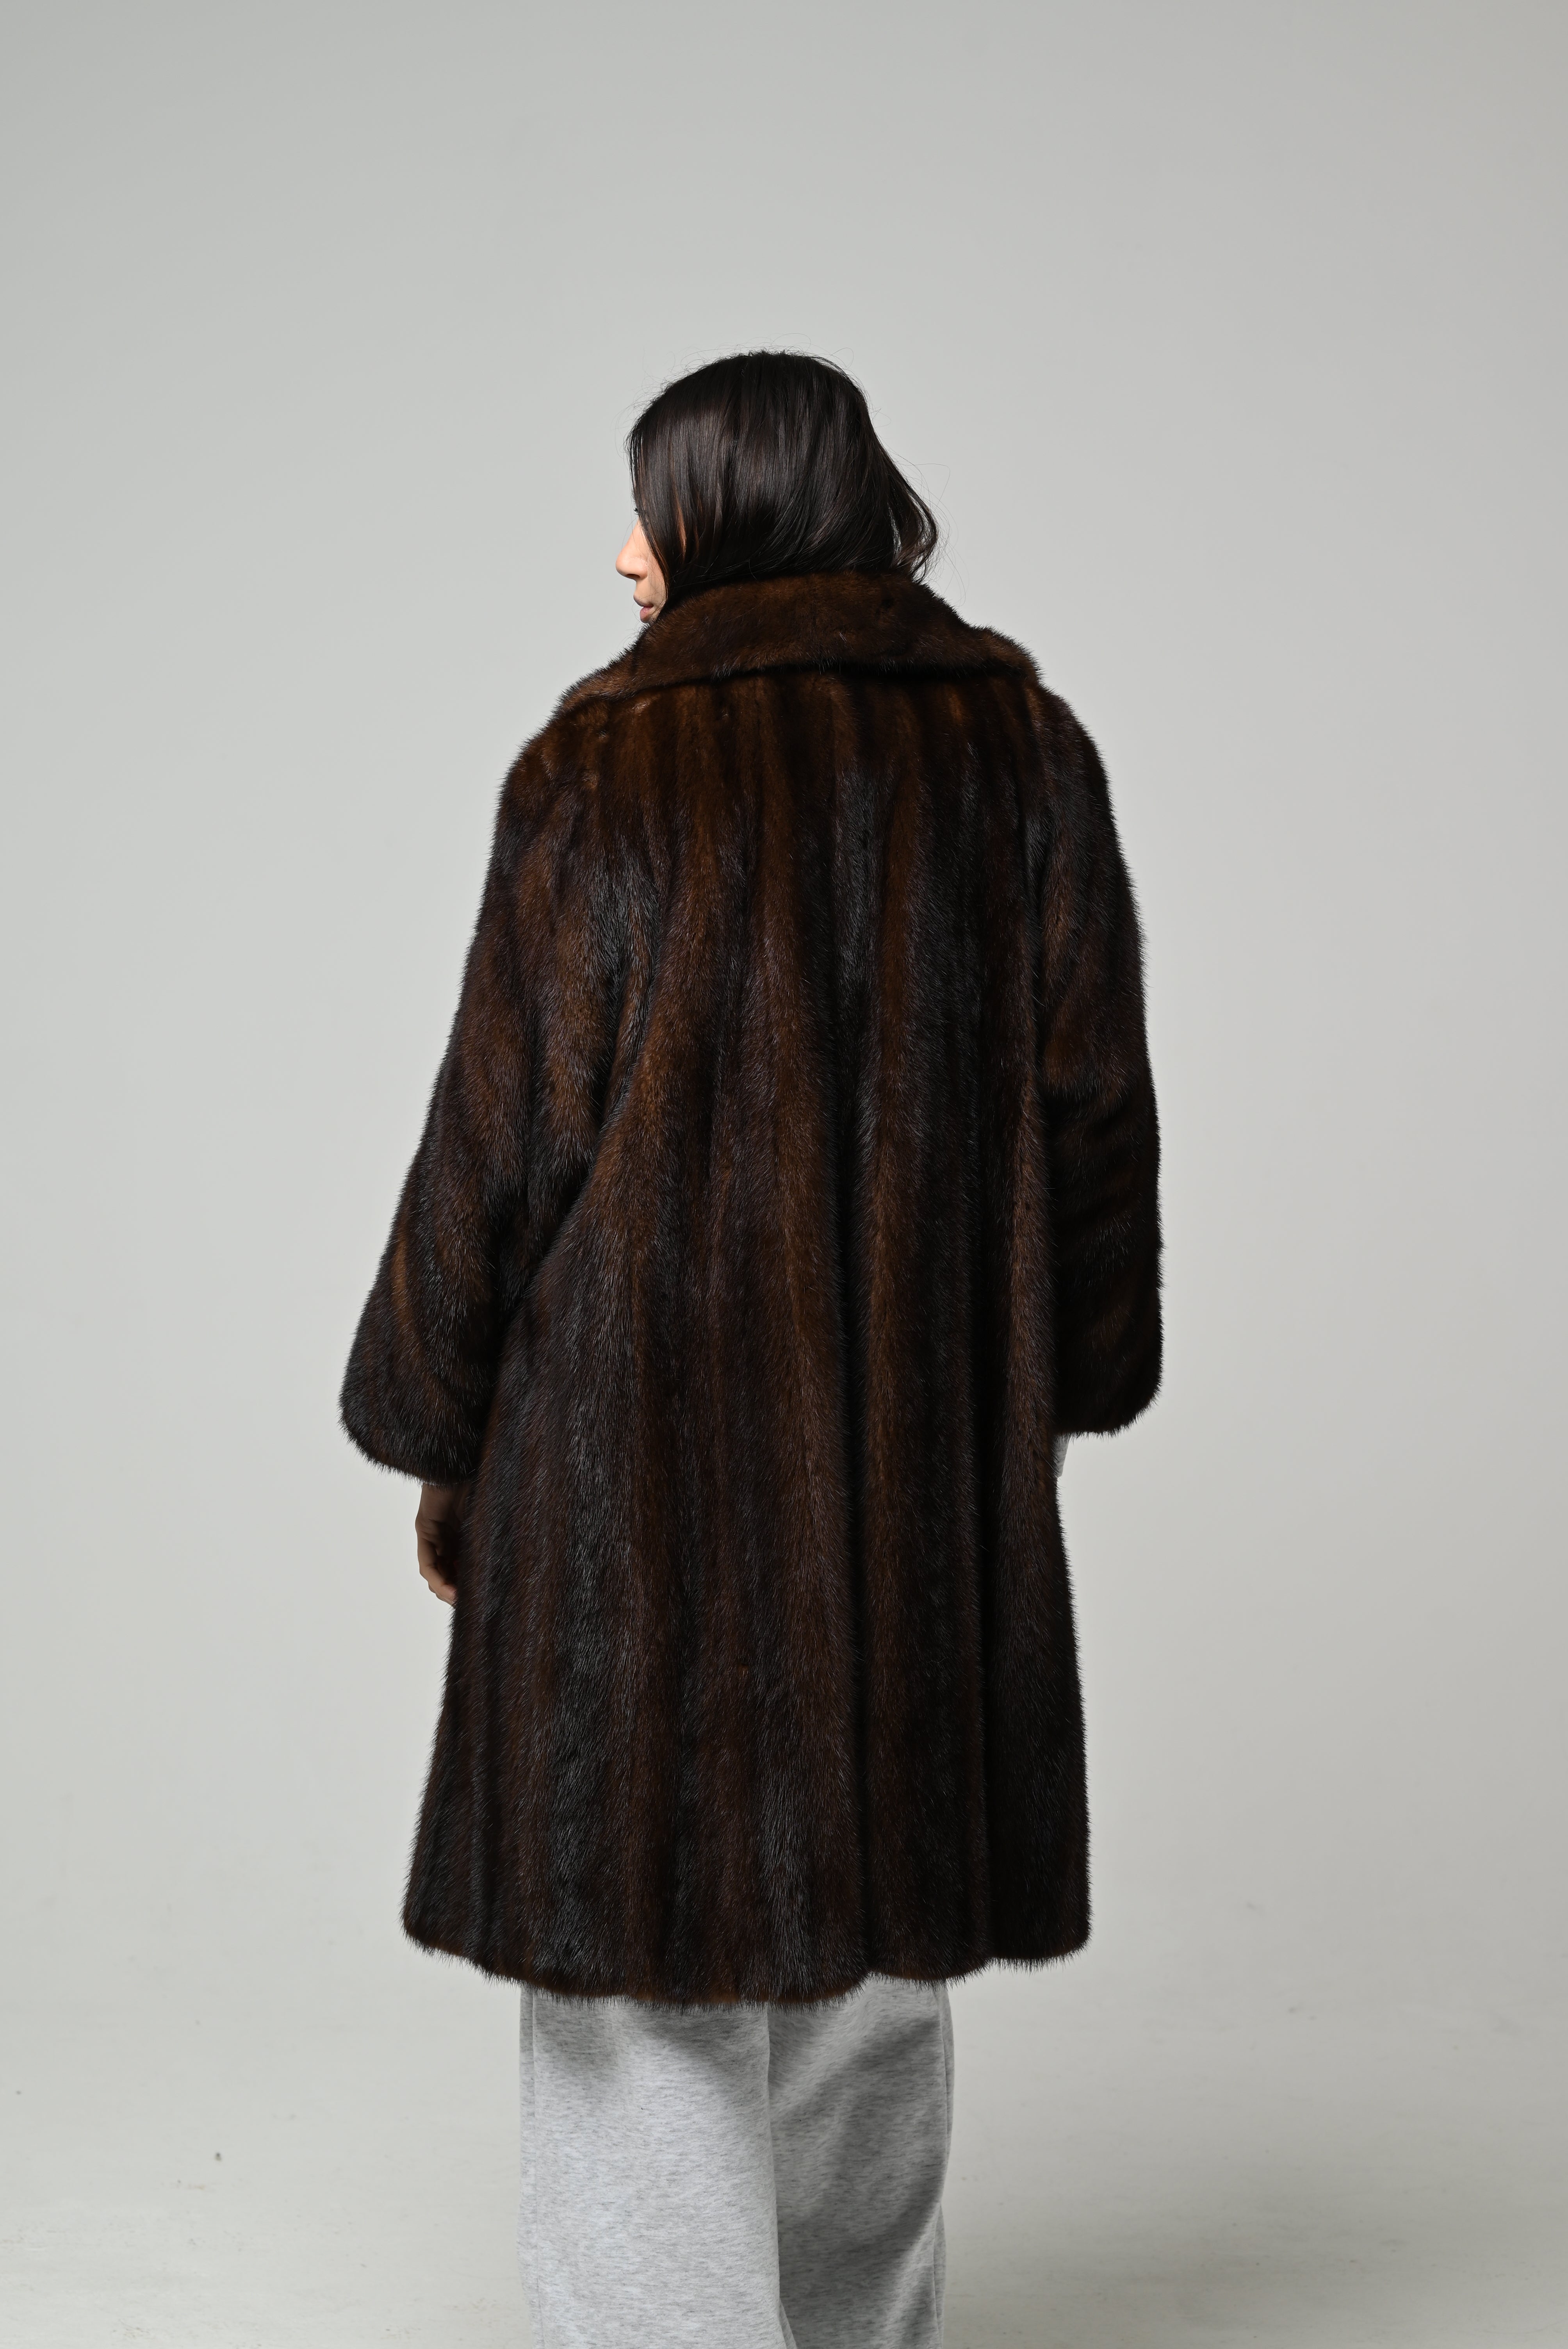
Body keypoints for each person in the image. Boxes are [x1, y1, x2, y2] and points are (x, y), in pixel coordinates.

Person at [340, 350, 1162, 2348]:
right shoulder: (1020, 751)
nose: (625, 550)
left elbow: (499, 1140)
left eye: (651, 505)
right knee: (875, 1971)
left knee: (641, 1991)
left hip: (633, 1481)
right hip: (913, 1478)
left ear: (727, 510)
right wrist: (1046, 1392)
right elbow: (1090, 1111)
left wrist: (435, 1425)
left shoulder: (606, 767)